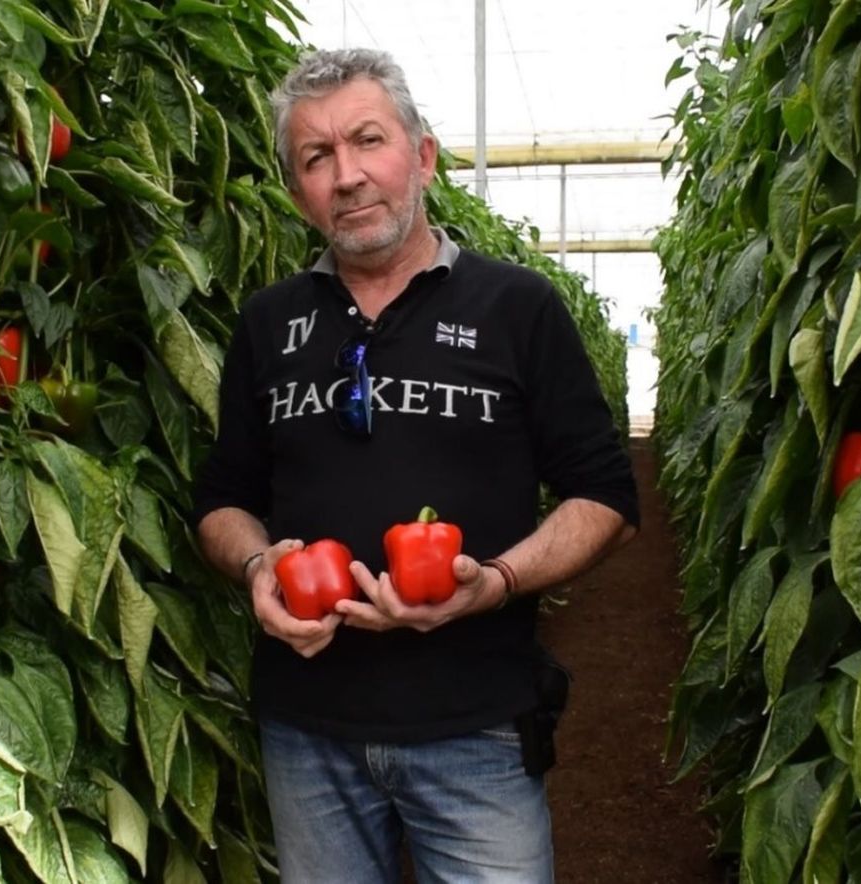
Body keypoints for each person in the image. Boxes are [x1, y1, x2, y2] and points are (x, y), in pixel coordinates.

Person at [191, 47, 639, 883]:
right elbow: (223, 497)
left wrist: (497, 581)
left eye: (368, 141)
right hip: (308, 731)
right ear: (297, 192)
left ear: (423, 156)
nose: (348, 175)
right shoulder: (267, 324)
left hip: (475, 728)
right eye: (317, 158)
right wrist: (256, 563)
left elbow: (603, 493)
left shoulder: (518, 309)